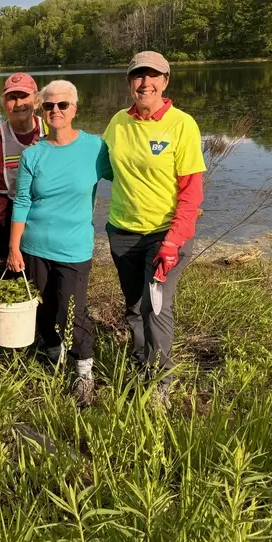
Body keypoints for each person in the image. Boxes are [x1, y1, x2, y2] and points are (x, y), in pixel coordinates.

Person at [101, 51, 205, 406]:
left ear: (165, 81)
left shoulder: (181, 124)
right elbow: (102, 167)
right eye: (138, 76)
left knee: (155, 307)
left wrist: (173, 241)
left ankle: (161, 379)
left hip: (164, 236)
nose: (145, 83)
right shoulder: (118, 122)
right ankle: (140, 362)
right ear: (129, 82)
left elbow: (191, 192)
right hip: (122, 232)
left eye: (153, 76)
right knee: (134, 306)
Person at [7, 79, 111, 407]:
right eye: (49, 105)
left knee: (72, 312)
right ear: (41, 110)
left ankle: (83, 371)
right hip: (34, 246)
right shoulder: (33, 154)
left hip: (74, 248)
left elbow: (128, 176)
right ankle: (53, 354)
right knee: (43, 307)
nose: (55, 110)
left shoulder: (95, 148)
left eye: (63, 104)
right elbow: (22, 200)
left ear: (74, 109)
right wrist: (13, 247)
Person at [0, 73, 47, 273]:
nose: (19, 103)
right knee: (10, 280)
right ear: (4, 103)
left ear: (36, 100)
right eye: (12, 98)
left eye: (24, 96)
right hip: (6, 217)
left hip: (45, 216)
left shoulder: (52, 131)